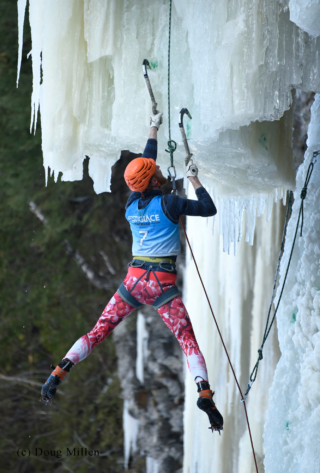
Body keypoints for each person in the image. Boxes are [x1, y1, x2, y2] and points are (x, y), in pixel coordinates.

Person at [41, 112, 224, 433]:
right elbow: (209, 209)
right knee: (187, 341)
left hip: (134, 283)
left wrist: (153, 127)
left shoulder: (130, 204)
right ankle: (204, 392)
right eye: (154, 174)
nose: (157, 173)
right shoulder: (171, 203)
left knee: (99, 330)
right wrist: (194, 178)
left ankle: (59, 371)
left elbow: (146, 162)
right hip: (162, 285)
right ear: (154, 181)